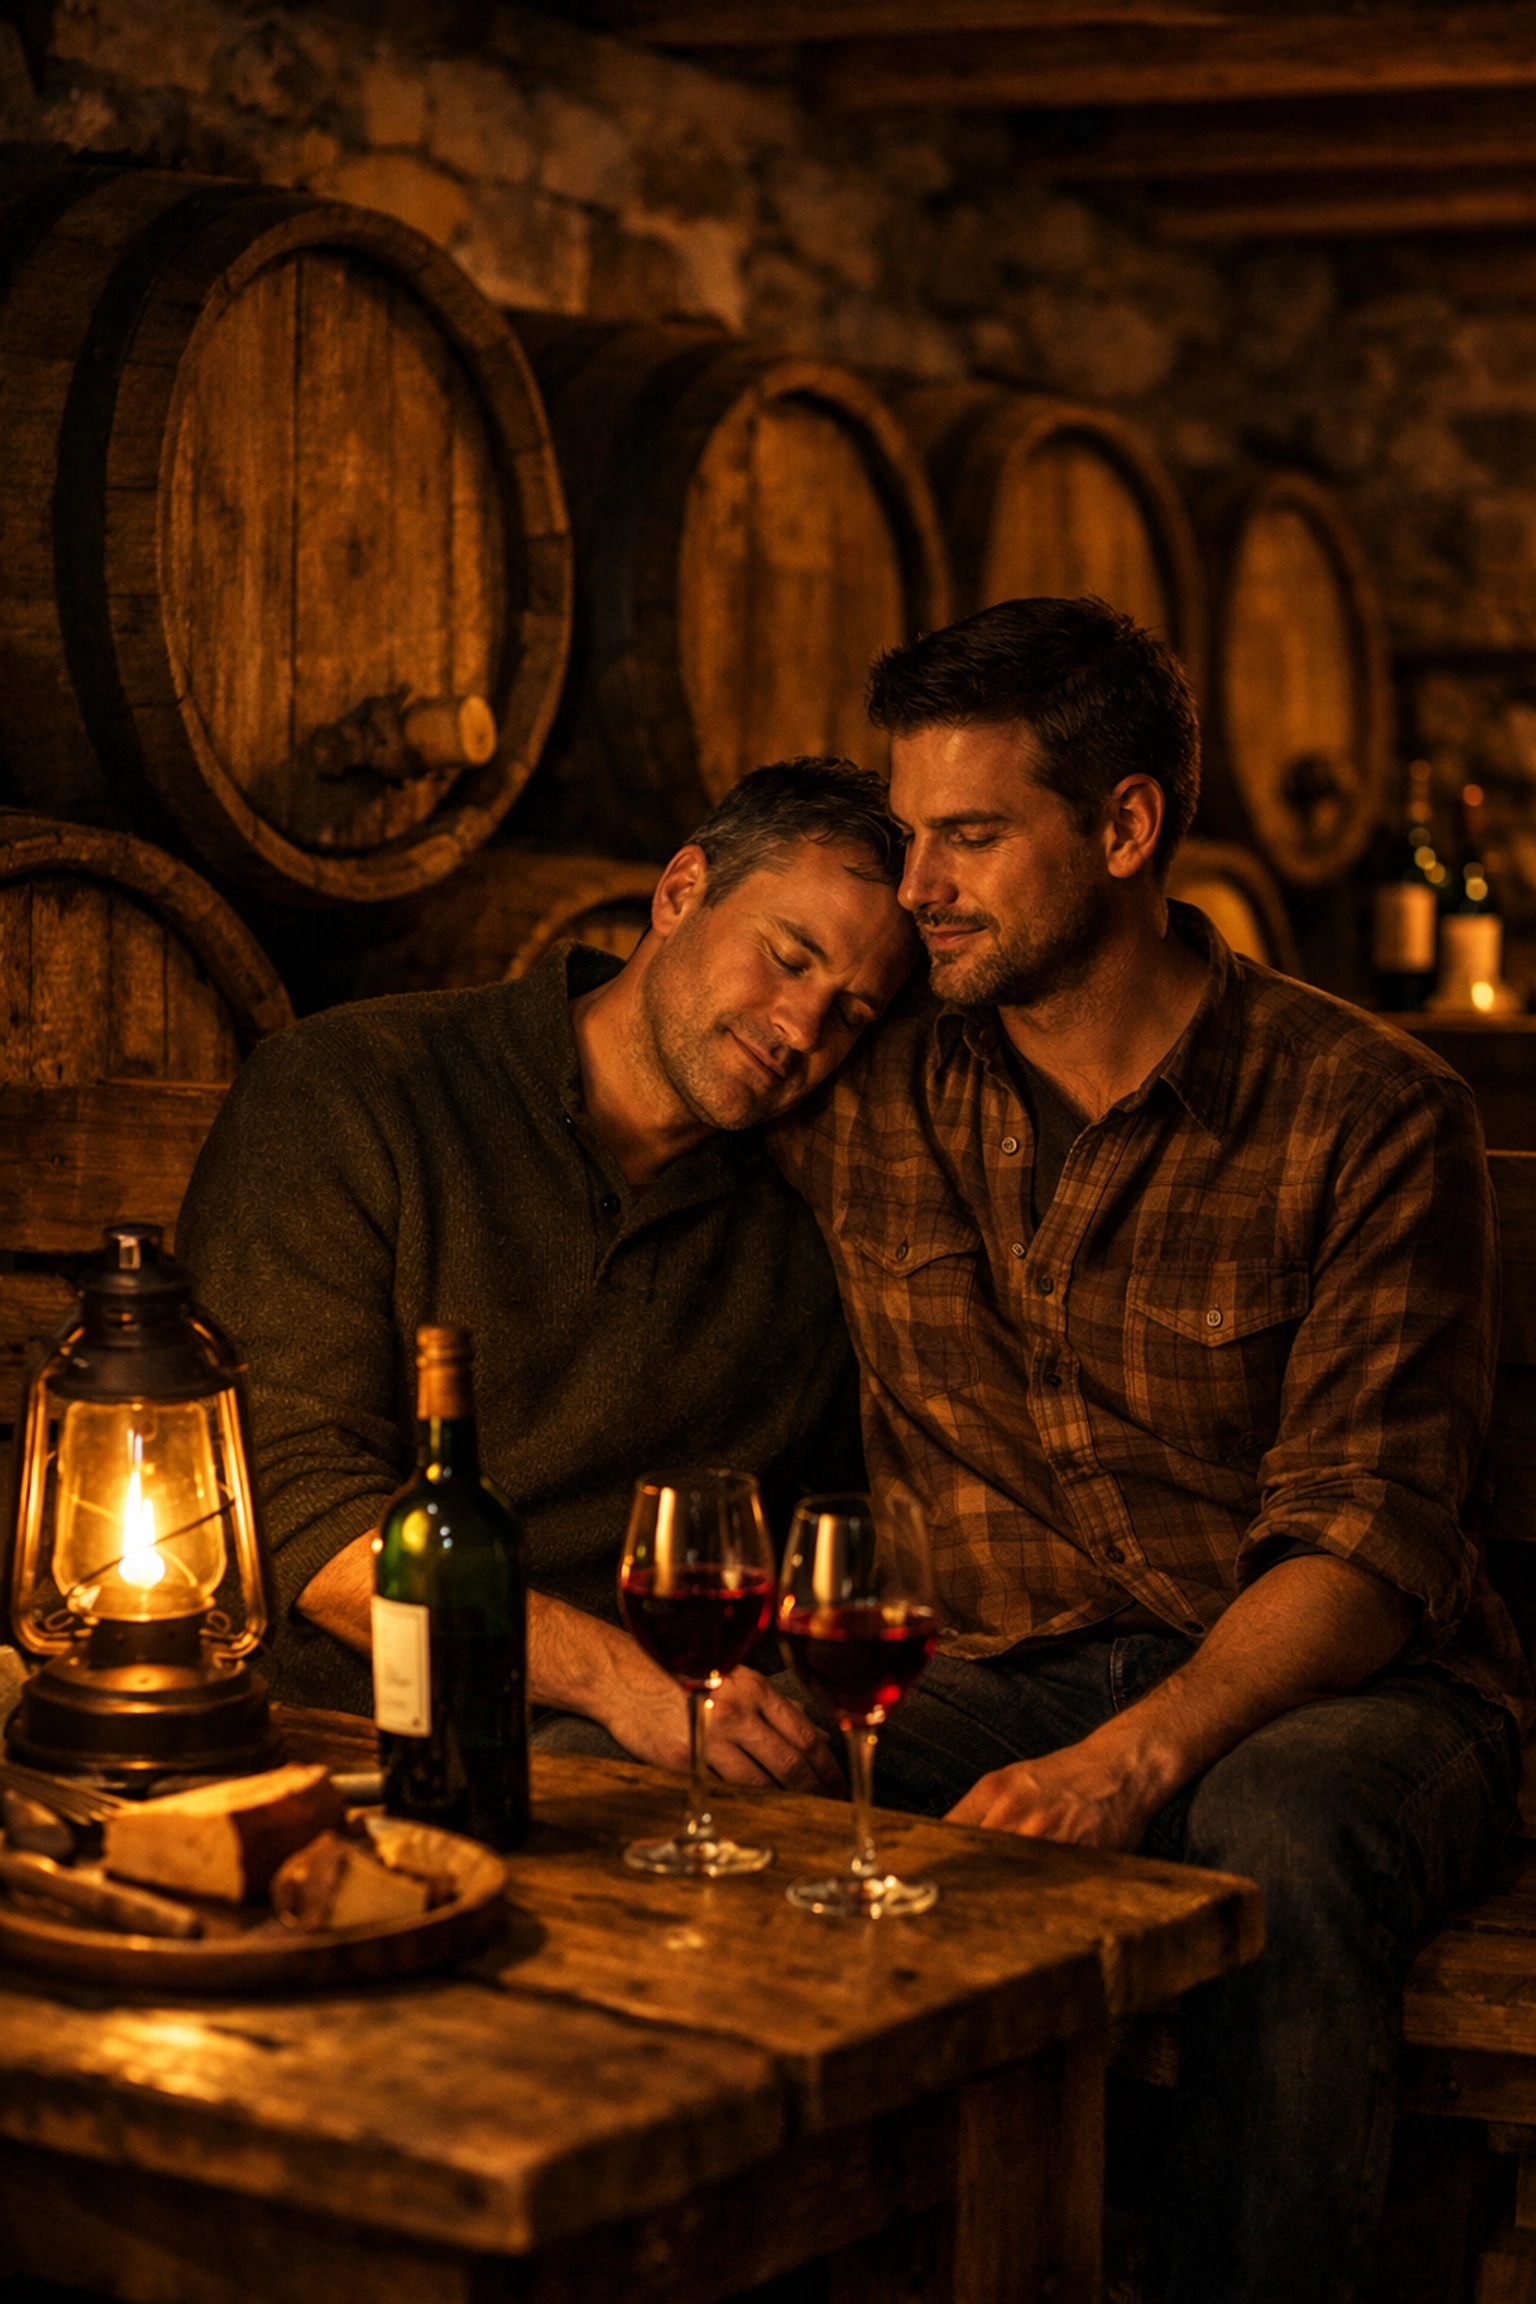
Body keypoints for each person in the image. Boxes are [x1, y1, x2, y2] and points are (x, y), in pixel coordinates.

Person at [771, 599, 1527, 2304]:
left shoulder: (1365, 1110)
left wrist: (1134, 1753)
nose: (919, 888)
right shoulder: (869, 1081)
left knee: (1275, 1829)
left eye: (970, 835)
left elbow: (1366, 1536)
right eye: (908, 836)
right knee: (745, 1763)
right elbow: (644, 1053)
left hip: (1347, 1687)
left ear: (1124, 828)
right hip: (1002, 1658)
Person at [177, 759, 915, 1792]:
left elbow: (834, 1536)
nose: (802, 1029)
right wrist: (617, 1681)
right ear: (681, 890)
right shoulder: (352, 1089)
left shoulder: (808, 1221)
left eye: (853, 1013)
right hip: (347, 1743)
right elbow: (294, 1508)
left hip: (667, 1744)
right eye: (789, 958)